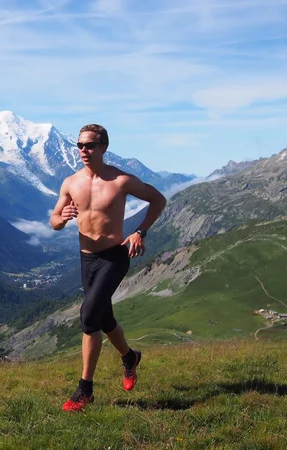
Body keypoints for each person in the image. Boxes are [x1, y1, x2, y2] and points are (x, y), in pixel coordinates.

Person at [50, 124, 167, 412]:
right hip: (86, 259)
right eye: (79, 145)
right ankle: (129, 357)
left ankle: (85, 390)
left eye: (89, 145)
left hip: (115, 256)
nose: (83, 151)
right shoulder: (70, 183)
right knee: (104, 319)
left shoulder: (120, 180)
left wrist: (141, 231)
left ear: (103, 148)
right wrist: (62, 218)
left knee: (89, 315)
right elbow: (53, 220)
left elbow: (158, 199)